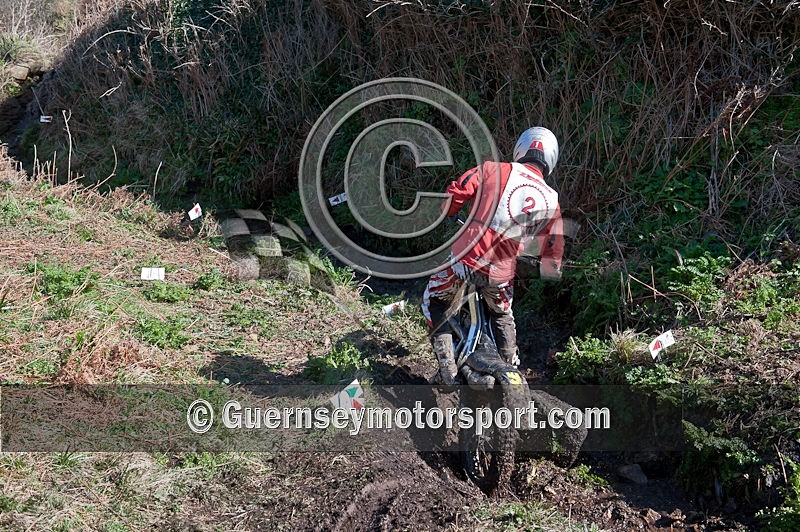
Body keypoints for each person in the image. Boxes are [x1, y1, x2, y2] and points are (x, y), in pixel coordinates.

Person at [421, 126, 565, 385]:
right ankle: (512, 368)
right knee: (502, 313)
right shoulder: (551, 199)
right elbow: (553, 249)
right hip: (500, 273)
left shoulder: (493, 170)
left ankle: (447, 369)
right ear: (551, 159)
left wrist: (448, 210)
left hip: (464, 261)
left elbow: (458, 191)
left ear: (521, 149)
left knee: (434, 300)